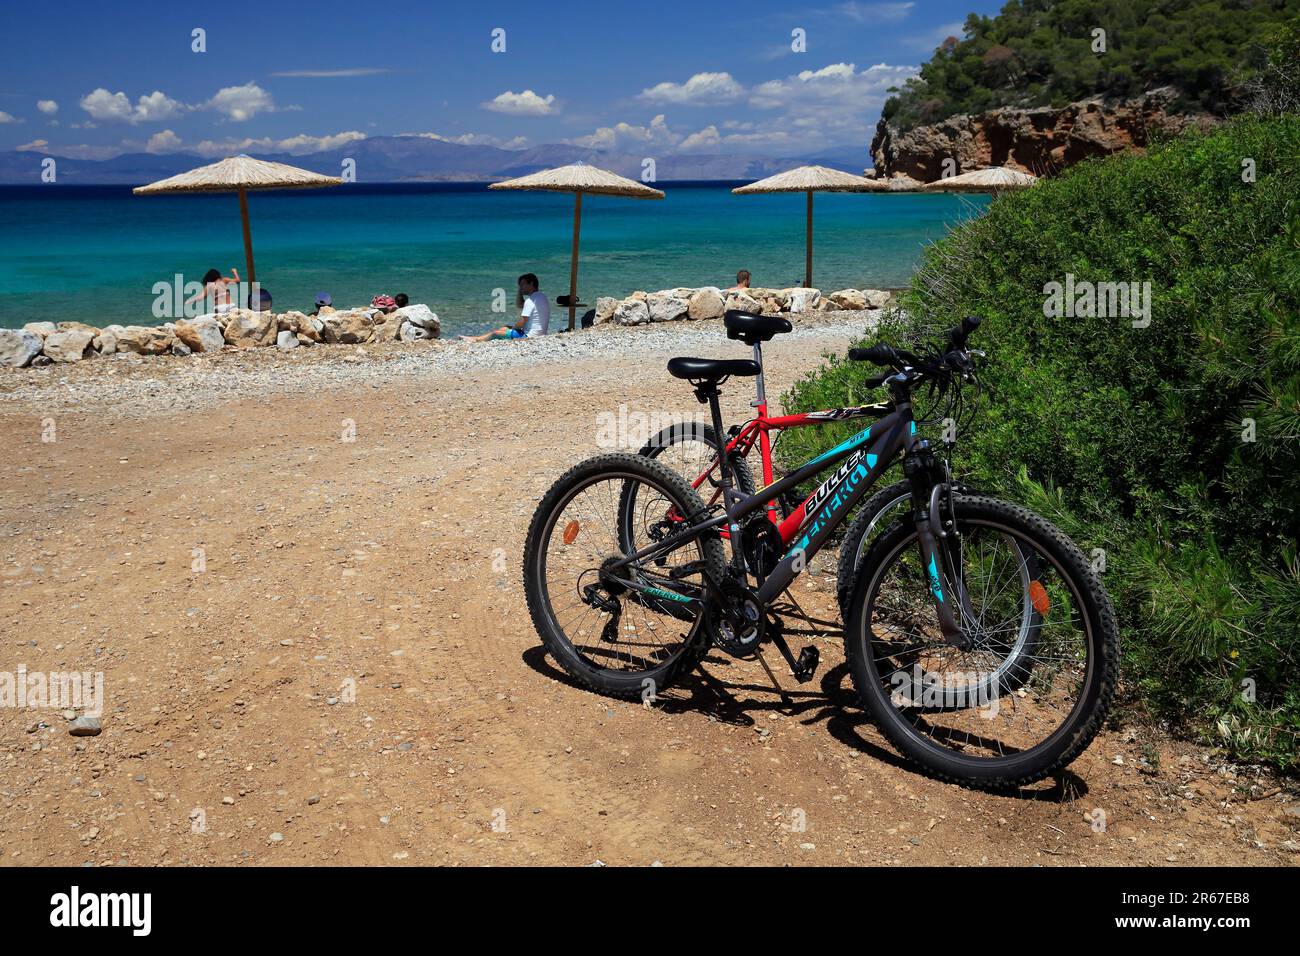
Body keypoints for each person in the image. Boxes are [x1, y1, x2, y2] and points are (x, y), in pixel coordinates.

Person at [460, 273, 550, 341]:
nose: (521, 287)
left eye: (523, 284)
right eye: (520, 285)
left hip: (529, 336)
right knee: (505, 327)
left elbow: (523, 321)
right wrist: (520, 290)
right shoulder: (541, 297)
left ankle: (476, 340)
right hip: (540, 334)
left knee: (494, 333)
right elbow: (519, 305)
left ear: (531, 283)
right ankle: (481, 338)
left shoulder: (530, 301)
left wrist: (514, 328)